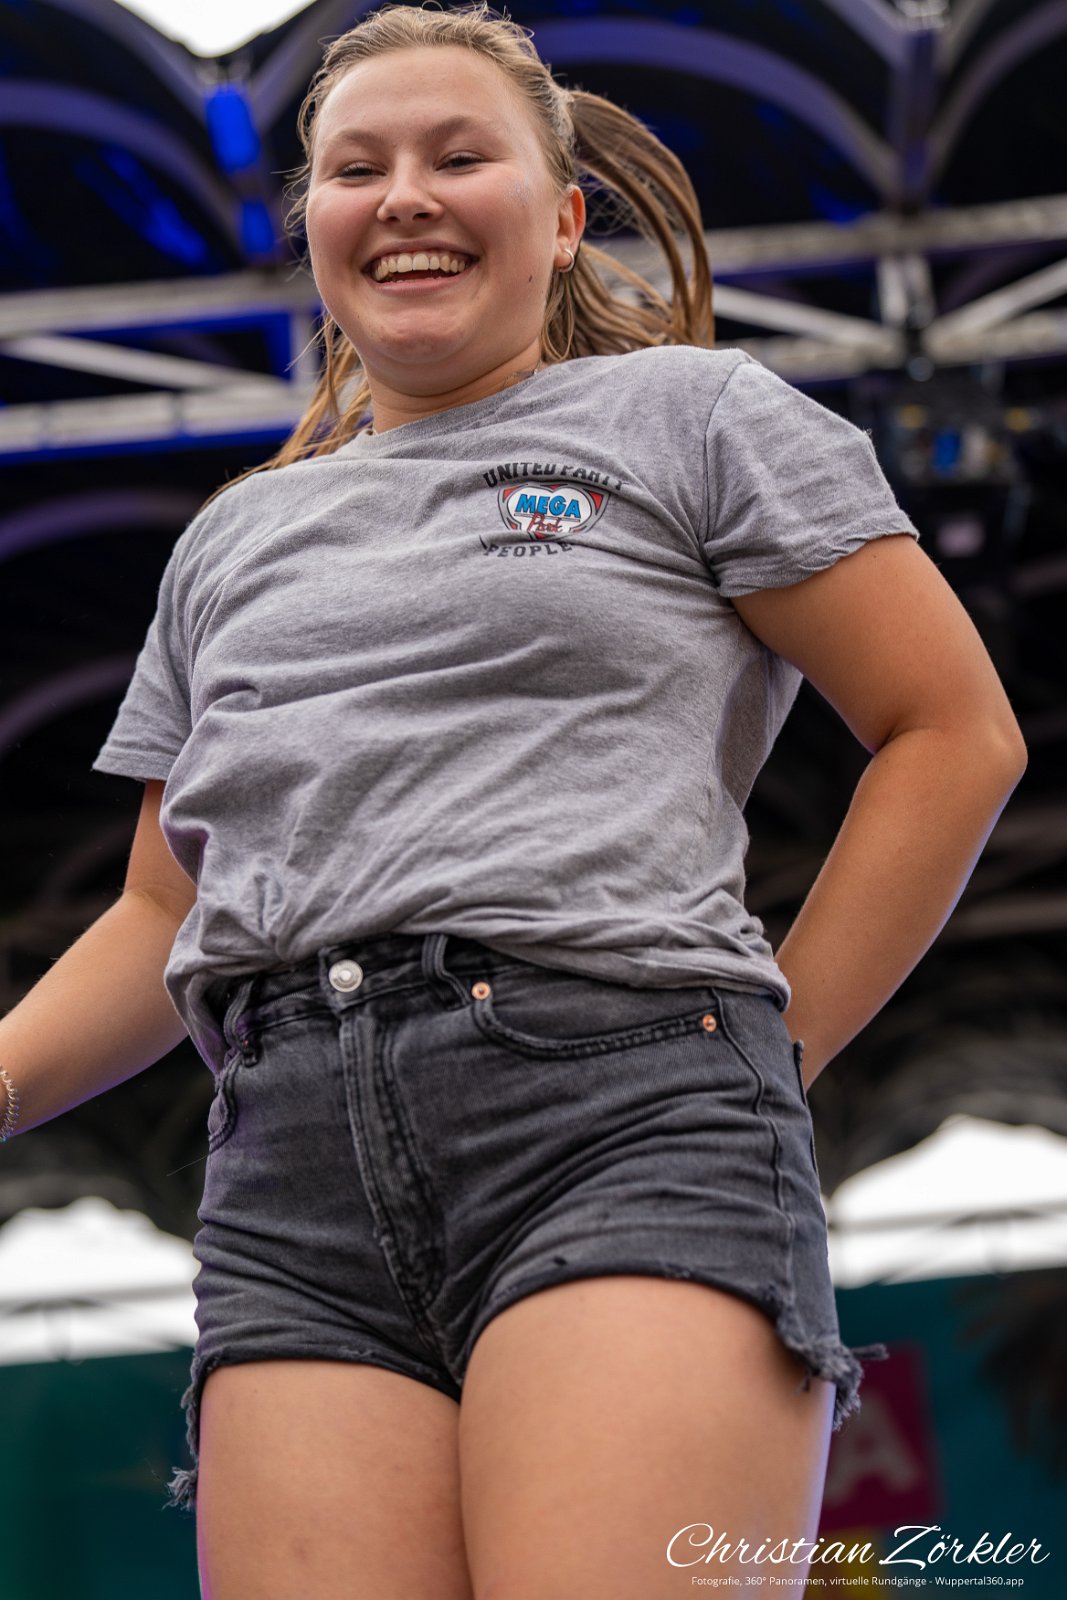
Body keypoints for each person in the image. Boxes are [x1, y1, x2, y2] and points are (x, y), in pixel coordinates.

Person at [0, 3, 1027, 1595]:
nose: (403, 196)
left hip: (622, 1112)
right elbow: (166, 908)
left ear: (560, 221)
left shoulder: (697, 415)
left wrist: (775, 1052)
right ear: (313, 230)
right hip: (289, 1168)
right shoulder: (229, 541)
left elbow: (950, 731)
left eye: (457, 156)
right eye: (357, 170)